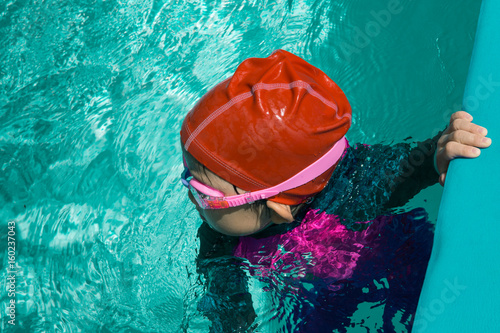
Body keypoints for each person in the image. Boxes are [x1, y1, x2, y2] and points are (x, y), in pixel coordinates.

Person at [179, 50, 492, 332]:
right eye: (187, 176)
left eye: (204, 192)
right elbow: (227, 301)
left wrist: (438, 152)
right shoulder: (218, 237)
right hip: (318, 296)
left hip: (400, 261)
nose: (191, 197)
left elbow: (405, 170)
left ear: (278, 207)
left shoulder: (356, 185)